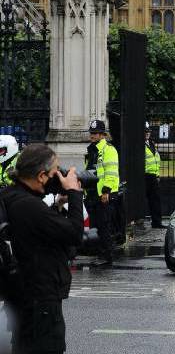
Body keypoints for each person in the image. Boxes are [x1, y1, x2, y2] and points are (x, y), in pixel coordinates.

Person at [1, 144, 83, 354]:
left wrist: (57, 205)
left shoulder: (11, 196)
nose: (59, 175)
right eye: (56, 171)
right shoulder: (29, 205)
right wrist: (74, 193)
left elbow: (38, 229)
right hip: (41, 302)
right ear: (41, 176)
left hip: (22, 297)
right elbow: (74, 233)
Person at [85, 120, 120, 265]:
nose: (92, 136)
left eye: (95, 133)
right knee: (97, 225)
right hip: (93, 194)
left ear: (102, 135)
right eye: (91, 133)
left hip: (103, 194)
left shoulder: (108, 150)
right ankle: (100, 253)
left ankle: (107, 256)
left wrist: (106, 191)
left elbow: (111, 173)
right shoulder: (92, 149)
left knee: (104, 226)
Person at [144, 123, 164, 228]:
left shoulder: (151, 143)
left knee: (155, 200)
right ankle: (139, 221)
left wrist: (157, 175)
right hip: (143, 176)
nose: (147, 133)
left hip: (153, 177)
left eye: (148, 131)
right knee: (141, 201)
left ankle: (157, 222)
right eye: (145, 131)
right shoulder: (139, 144)